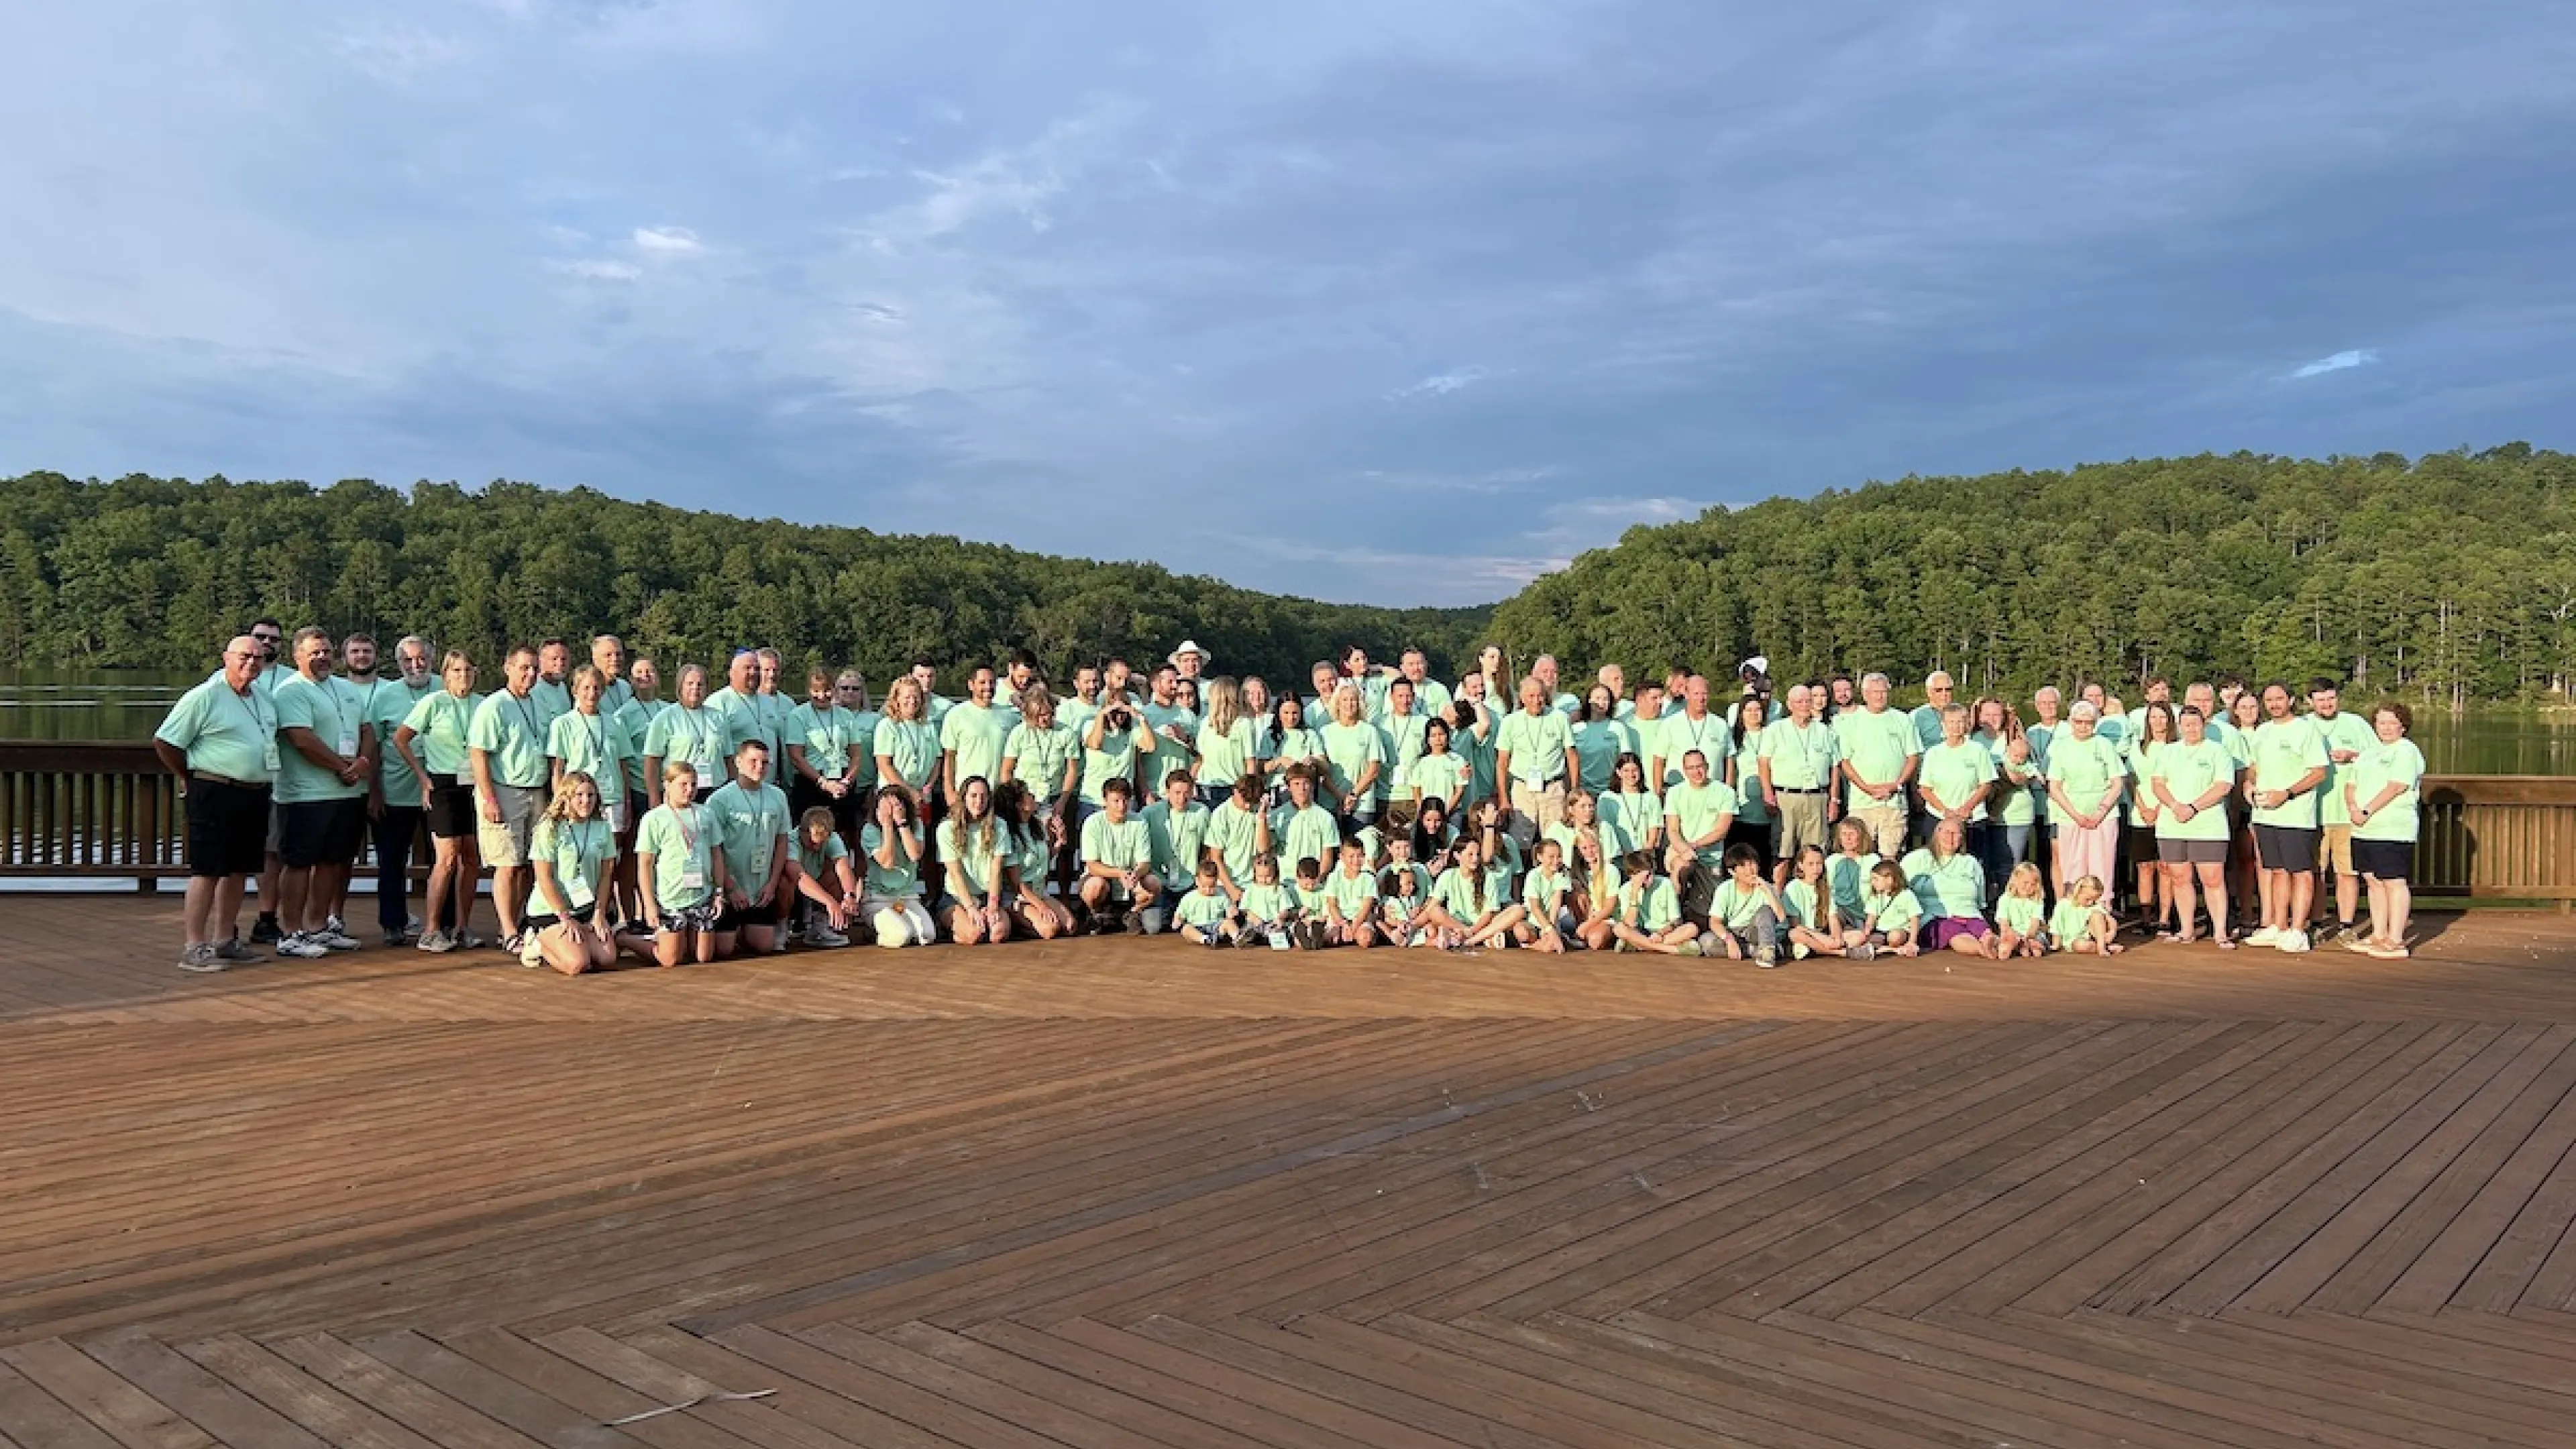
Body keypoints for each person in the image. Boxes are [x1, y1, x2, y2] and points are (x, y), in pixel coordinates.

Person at [153, 636, 280, 972]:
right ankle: (194, 946)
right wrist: (188, 775)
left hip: (254, 792)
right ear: (226, 658)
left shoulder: (263, 699)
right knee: (207, 869)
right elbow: (166, 741)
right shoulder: (204, 697)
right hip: (213, 790)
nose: (251, 663)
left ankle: (225, 940)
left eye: (258, 657)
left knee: (239, 869)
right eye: (244, 656)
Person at [270, 627, 372, 959]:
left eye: (326, 651)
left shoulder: (346, 688)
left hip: (346, 794)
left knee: (333, 861)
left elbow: (366, 730)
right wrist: (342, 768)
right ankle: (290, 932)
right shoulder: (291, 691)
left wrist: (363, 761)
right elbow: (301, 739)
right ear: (297, 656)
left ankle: (318, 927)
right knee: (299, 863)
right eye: (314, 652)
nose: (322, 657)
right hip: (305, 795)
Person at [396, 649, 485, 951]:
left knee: (472, 858)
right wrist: (422, 777)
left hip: (474, 785)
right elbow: (401, 739)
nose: (463, 676)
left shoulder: (483, 705)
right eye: (456, 671)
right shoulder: (432, 703)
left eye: (468, 670)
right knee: (446, 858)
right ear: (446, 675)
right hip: (443, 785)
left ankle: (461, 926)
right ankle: (431, 929)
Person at [468, 644, 552, 954]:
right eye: (524, 668)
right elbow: (479, 754)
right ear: (508, 668)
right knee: (507, 864)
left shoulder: (539, 704)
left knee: (533, 862)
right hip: (505, 790)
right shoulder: (494, 706)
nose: (530, 674)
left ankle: (526, 922)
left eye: (534, 669)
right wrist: (489, 799)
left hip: (537, 791)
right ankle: (507, 930)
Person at [356, 634, 437, 946]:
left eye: (421, 659)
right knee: (391, 861)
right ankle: (393, 924)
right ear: (398, 662)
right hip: (395, 790)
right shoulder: (386, 696)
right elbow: (373, 746)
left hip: (438, 792)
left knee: (442, 861)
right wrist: (374, 791)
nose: (415, 666)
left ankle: (442, 922)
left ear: (432, 659)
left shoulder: (447, 687)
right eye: (408, 660)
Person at [2245, 682, 2329, 953]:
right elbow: (2253, 767)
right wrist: (2249, 785)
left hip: (2296, 815)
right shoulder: (2262, 732)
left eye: (2280, 699)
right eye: (2269, 700)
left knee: (2301, 872)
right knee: (2277, 871)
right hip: (2265, 814)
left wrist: (2288, 793)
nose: (2274, 704)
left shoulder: (2306, 730)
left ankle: (2298, 930)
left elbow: (2319, 772)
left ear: (2291, 700)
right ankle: (2278, 926)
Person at [2148, 705, 2239, 949]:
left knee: (2212, 878)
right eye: (2186, 724)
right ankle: (2186, 929)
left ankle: (2220, 931)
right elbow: (2158, 784)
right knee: (2179, 877)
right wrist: (2176, 806)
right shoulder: (2168, 752)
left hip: (2208, 825)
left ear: (2203, 725)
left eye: (2195, 724)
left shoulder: (2217, 751)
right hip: (2172, 824)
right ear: (2179, 726)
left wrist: (2194, 807)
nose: (2191, 729)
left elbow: (2223, 786)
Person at [2345, 702, 2426, 960]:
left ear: (2403, 726)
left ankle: (2396, 940)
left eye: (2393, 722)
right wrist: (2353, 808)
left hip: (2392, 829)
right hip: (2364, 830)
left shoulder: (2406, 751)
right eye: (2382, 723)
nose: (2387, 728)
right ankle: (2378, 934)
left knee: (2394, 882)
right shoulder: (2369, 752)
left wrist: (2367, 810)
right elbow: (2351, 784)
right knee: (2372, 880)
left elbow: (2396, 787)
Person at [524, 771, 620, 975]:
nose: (586, 801)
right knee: (577, 964)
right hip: (551, 911)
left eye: (591, 795)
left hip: (585, 907)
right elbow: (544, 877)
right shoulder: (548, 828)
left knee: (607, 958)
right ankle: (536, 942)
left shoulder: (602, 827)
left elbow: (606, 875)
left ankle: (577, 938)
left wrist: (599, 913)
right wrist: (564, 916)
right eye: (580, 796)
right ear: (567, 798)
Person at [706, 739, 794, 957]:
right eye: (753, 761)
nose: (760, 767)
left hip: (761, 887)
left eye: (765, 762)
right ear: (738, 762)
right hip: (731, 889)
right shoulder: (720, 800)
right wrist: (730, 887)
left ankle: (747, 931)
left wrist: (772, 884)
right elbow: (713, 848)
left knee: (764, 946)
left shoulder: (778, 796)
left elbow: (782, 840)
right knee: (723, 951)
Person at [2305, 676, 2376, 942]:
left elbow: (2377, 758)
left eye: (2331, 698)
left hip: (2348, 813)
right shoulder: (2303, 726)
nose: (2326, 704)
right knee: (2316, 872)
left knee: (2347, 872)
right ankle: (2316, 922)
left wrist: (2352, 756)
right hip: (2313, 813)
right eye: (2320, 699)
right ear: (2310, 702)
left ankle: (2346, 924)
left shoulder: (2356, 724)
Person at [633, 761, 722, 967]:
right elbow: (645, 864)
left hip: (701, 896)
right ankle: (628, 939)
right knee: (671, 959)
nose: (689, 790)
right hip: (670, 900)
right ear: (667, 784)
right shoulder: (653, 818)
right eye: (683, 784)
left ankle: (684, 937)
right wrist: (649, 904)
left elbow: (716, 854)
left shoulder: (706, 814)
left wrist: (718, 892)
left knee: (703, 957)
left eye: (693, 784)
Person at [1000, 684, 1082, 895]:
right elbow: (1007, 770)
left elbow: (1072, 769)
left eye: (1049, 714)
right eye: (1040, 715)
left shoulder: (1066, 732)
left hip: (1056, 795)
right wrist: (1012, 801)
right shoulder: (1018, 734)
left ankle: (1062, 896)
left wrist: (1063, 801)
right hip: (1026, 799)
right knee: (1029, 846)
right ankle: (1025, 893)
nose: (1045, 719)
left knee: (1061, 846)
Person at [2043, 702, 2126, 906]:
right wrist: (2076, 815)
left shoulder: (2104, 745)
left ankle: (2102, 914)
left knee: (2102, 867)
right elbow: (2055, 787)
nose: (2083, 726)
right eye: (2078, 722)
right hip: (2070, 818)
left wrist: (2100, 812)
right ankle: (2074, 917)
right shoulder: (2061, 747)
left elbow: (2117, 783)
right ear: (2071, 722)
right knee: (2073, 868)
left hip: (2103, 818)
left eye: (2088, 722)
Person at [1757, 683, 1839, 879]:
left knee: (1814, 854)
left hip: (1817, 797)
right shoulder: (1776, 730)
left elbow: (1835, 766)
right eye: (1799, 702)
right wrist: (1768, 794)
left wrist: (1834, 799)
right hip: (1786, 797)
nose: (1804, 705)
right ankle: (1778, 898)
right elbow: (1763, 763)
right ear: (1790, 704)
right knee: (1782, 853)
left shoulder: (1825, 731)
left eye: (1807, 701)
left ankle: (1811, 899)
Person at [1835, 672, 1919, 859]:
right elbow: (1845, 762)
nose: (1879, 696)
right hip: (1861, 802)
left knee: (1890, 856)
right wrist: (1867, 788)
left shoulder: (1902, 719)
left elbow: (1913, 757)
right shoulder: (1850, 722)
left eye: (1883, 692)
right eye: (1875, 692)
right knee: (1859, 854)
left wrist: (1896, 785)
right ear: (1865, 694)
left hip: (1894, 802)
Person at [547, 666, 634, 837]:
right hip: (578, 799)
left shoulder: (616, 723)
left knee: (611, 853)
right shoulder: (563, 724)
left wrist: (627, 802)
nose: (592, 693)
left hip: (611, 798)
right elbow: (557, 768)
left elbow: (623, 765)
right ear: (575, 691)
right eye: (586, 688)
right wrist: (560, 800)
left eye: (596, 688)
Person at [1495, 675, 1580, 847]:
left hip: (1553, 787)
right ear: (1522, 698)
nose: (1536, 701)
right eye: (1531, 696)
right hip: (1522, 788)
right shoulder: (1510, 722)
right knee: (1521, 841)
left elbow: (1571, 755)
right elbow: (1502, 762)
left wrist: (1574, 789)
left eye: (1540, 695)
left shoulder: (1559, 718)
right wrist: (1503, 798)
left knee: (1556, 839)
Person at [785, 667, 866, 845]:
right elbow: (796, 757)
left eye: (827, 690)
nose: (822, 696)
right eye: (816, 691)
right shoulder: (798, 716)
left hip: (843, 782)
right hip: (812, 782)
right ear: (809, 691)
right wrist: (823, 783)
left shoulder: (846, 716)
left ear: (835, 690)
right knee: (812, 838)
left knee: (845, 837)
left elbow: (856, 755)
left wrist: (846, 781)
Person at [1900, 818, 1995, 958]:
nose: (1951, 838)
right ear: (1937, 834)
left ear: (1962, 838)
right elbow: (1900, 890)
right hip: (1934, 917)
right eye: (1947, 832)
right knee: (1953, 931)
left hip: (1969, 913)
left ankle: (2003, 943)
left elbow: (1980, 900)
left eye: (1956, 834)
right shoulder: (1916, 859)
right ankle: (1983, 950)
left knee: (1984, 931)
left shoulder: (1971, 862)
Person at [1661, 749, 1738, 922]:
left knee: (1704, 918)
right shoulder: (1675, 792)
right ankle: (1675, 915)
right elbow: (1672, 830)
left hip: (1710, 858)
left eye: (1700, 766)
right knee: (1683, 867)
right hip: (1679, 851)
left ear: (1707, 766)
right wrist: (1684, 849)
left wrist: (1694, 846)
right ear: (1684, 770)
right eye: (1691, 768)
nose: (1697, 772)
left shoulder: (1725, 792)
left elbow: (1721, 831)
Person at [994, 780, 1075, 941]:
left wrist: (1059, 842)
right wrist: (1042, 907)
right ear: (1019, 805)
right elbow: (1017, 884)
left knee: (1070, 926)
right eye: (1028, 795)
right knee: (1050, 930)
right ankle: (1015, 923)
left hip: (1039, 892)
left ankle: (1031, 921)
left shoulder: (1037, 825)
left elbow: (1042, 859)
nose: (1033, 797)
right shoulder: (1008, 834)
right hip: (1019, 896)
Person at [1915, 702, 1994, 870]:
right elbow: (1925, 789)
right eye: (1951, 722)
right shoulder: (1934, 753)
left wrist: (1966, 808)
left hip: (1972, 818)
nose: (1956, 726)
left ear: (1966, 724)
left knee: (1972, 864)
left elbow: (1986, 784)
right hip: (1938, 817)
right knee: (1935, 864)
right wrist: (1945, 812)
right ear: (1943, 725)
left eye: (1960, 721)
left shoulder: (1978, 751)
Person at [936, 774, 1012, 946]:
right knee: (974, 935)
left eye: (984, 796)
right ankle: (950, 926)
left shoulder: (999, 825)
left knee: (997, 934)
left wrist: (993, 905)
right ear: (964, 798)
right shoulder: (946, 828)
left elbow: (996, 868)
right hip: (957, 898)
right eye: (974, 796)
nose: (979, 801)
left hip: (988, 895)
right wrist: (970, 908)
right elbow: (955, 873)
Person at [2125, 703, 2180, 934]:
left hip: (2168, 814)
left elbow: (2176, 781)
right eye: (2153, 717)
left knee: (2167, 868)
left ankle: (2165, 917)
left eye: (2162, 717)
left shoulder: (2177, 748)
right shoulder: (2138, 748)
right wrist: (2143, 807)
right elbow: (2130, 781)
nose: (2158, 722)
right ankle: (2146, 918)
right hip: (2141, 815)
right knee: (2145, 867)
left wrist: (2159, 808)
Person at [641, 665, 729, 810]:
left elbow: (728, 758)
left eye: (700, 684)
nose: (695, 688)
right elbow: (652, 761)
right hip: (680, 792)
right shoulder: (665, 718)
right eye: (690, 684)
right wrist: (654, 797)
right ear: (680, 686)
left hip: (716, 790)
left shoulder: (718, 717)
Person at [1079, 777, 1161, 934]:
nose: (1121, 806)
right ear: (1105, 801)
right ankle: (1096, 914)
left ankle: (1133, 913)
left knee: (1153, 883)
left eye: (1125, 801)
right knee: (1095, 886)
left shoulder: (1139, 821)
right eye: (1116, 801)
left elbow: (1145, 862)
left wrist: (1136, 874)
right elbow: (1092, 865)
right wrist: (1119, 873)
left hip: (1131, 877)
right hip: (1103, 877)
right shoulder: (1092, 823)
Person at [861, 784, 935, 948]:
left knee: (927, 935)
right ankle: (875, 932)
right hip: (878, 898)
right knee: (902, 936)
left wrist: (902, 823)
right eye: (885, 806)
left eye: (895, 806)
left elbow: (915, 855)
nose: (890, 811)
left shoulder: (915, 824)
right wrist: (887, 826)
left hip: (906, 896)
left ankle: (894, 924)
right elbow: (887, 863)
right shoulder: (870, 829)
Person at [940, 666, 1016, 820]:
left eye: (992, 682)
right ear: (971, 685)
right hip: (967, 795)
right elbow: (949, 757)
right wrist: (949, 792)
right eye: (982, 682)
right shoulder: (956, 715)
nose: (988, 687)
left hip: (998, 795)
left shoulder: (1010, 716)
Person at [1422, 836, 1522, 951]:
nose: (1475, 859)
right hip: (1457, 923)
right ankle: (1480, 938)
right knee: (1434, 910)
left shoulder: (1489, 876)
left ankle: (1471, 940)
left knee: (1518, 910)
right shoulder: (1448, 875)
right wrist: (1414, 925)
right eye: (1470, 854)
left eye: (1478, 854)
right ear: (1457, 856)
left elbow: (1489, 913)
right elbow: (1432, 907)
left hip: (1484, 925)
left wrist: (1472, 931)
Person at [1078, 689, 1158, 830]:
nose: (1120, 716)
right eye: (1116, 712)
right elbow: (1095, 743)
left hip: (1124, 800)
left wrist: (1140, 718)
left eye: (1123, 712)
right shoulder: (1090, 725)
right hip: (1094, 799)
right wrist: (1102, 715)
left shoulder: (1131, 731)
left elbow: (1150, 746)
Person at [1143, 769, 1214, 924]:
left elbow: (1207, 847)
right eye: (1177, 792)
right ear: (1167, 792)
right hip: (1160, 878)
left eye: (1186, 792)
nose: (1182, 798)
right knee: (1154, 926)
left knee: (1199, 922)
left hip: (1190, 881)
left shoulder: (1201, 812)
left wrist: (1201, 877)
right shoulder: (1149, 813)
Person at [1320, 684, 1387, 831]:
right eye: (1344, 700)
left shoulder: (1369, 731)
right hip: (1331, 800)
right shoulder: (1325, 732)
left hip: (1362, 802)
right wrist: (1340, 796)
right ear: (1337, 703)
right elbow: (1322, 770)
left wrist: (1352, 795)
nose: (1349, 704)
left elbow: (1374, 770)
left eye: (1353, 700)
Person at [788, 806, 859, 947]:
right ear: (802, 831)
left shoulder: (833, 838)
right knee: (785, 881)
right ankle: (781, 927)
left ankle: (819, 927)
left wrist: (850, 896)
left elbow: (843, 867)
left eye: (821, 844)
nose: (816, 848)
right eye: (813, 842)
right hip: (795, 886)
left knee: (837, 875)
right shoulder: (791, 840)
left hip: (817, 880)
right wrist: (830, 902)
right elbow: (799, 876)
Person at [1705, 844, 1785, 966]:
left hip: (1756, 932)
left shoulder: (1766, 887)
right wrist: (1729, 940)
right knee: (1707, 942)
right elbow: (1715, 922)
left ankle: (1767, 952)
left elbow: (1782, 919)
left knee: (1765, 910)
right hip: (1733, 932)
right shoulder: (1724, 889)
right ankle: (1756, 951)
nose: (1750, 870)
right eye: (1743, 866)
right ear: (1732, 871)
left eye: (1752, 864)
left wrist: (1768, 891)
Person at [1606, 849, 1698, 955]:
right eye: (1644, 877)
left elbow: (1676, 921)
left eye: (1649, 875)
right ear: (1632, 876)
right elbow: (1629, 923)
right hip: (1640, 932)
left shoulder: (1666, 884)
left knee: (1692, 928)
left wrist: (1660, 933)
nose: (1647, 880)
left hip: (1664, 932)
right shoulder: (1625, 890)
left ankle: (1640, 945)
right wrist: (1635, 893)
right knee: (1619, 929)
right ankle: (1671, 949)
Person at [1721, 694, 1774, 869]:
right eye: (1748, 710)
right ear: (1741, 713)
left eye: (1758, 709)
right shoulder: (1733, 737)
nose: (1753, 714)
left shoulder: (1772, 734)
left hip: (1768, 807)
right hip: (1742, 808)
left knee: (1763, 858)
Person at [1650, 674, 1726, 792]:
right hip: (1677, 792)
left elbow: (1729, 759)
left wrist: (1729, 790)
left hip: (1713, 791)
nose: (1701, 698)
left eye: (1704, 694)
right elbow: (1658, 760)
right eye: (1696, 694)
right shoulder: (1670, 723)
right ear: (1686, 695)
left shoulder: (1721, 724)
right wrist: (1658, 793)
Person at [874, 677, 944, 806]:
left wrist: (928, 786)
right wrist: (909, 791)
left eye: (916, 697)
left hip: (923, 797)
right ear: (897, 699)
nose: (912, 701)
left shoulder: (928, 726)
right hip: (894, 796)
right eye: (907, 697)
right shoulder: (887, 725)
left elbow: (937, 759)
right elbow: (884, 764)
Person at [1193, 678, 1260, 813]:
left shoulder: (1244, 724)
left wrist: (1249, 790)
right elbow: (1201, 758)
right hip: (1207, 784)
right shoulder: (1206, 723)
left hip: (1234, 785)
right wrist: (1191, 779)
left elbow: (1250, 762)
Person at [1780, 845, 1845, 961]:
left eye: (1819, 864)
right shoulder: (1793, 887)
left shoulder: (1825, 887)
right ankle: (1837, 953)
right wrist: (1823, 939)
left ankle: (1814, 949)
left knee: (1858, 936)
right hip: (1803, 932)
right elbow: (1795, 924)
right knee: (1794, 934)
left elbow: (1833, 918)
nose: (1815, 868)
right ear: (1801, 865)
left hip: (1821, 933)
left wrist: (1837, 938)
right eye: (1811, 864)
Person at [1572, 684, 1637, 798]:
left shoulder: (1618, 728)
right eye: (1597, 698)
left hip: (1611, 790)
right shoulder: (1576, 729)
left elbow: (1626, 761)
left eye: (1605, 699)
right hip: (1583, 791)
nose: (1601, 702)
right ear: (1589, 701)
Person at [1854, 859, 1923, 959]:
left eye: (1876, 879)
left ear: (1890, 879)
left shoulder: (1907, 895)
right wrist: (1867, 931)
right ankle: (1891, 949)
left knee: (1895, 937)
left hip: (1901, 931)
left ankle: (1888, 948)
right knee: (1860, 940)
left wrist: (1912, 941)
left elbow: (1914, 919)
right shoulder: (1876, 896)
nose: (1873, 883)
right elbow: (1871, 917)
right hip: (1880, 931)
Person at [1320, 838, 1381, 949]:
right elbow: (1332, 905)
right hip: (1338, 920)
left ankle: (1353, 937)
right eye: (1351, 856)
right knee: (1330, 938)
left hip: (1360, 920)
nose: (1356, 860)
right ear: (1342, 857)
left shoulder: (1368, 879)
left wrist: (1353, 927)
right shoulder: (1334, 877)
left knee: (1365, 939)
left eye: (1360, 856)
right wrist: (1343, 924)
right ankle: (1317, 936)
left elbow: (1366, 908)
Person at [1517, 837, 1574, 953]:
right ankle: (1536, 944)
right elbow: (1534, 907)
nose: (1556, 861)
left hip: (1551, 921)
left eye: (1559, 856)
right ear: (1540, 857)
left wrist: (1550, 929)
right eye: (1551, 857)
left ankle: (1538, 944)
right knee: (1521, 932)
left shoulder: (1562, 874)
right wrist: (1549, 929)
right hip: (1533, 921)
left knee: (1549, 946)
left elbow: (1556, 903)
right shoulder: (1533, 875)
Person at [2049, 875, 2123, 955]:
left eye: (2094, 900)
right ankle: (2107, 948)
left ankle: (2102, 947)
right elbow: (2056, 925)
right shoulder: (2063, 905)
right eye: (2088, 899)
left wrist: (2112, 932)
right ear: (2078, 891)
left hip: (2092, 937)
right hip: (2074, 942)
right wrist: (2055, 944)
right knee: (2081, 945)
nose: (2091, 903)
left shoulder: (2095, 906)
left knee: (2097, 914)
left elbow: (2111, 920)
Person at [1174, 861, 1240, 947]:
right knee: (1186, 929)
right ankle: (1205, 940)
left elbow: (1229, 911)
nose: (1208, 890)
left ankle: (1237, 938)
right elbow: (1179, 915)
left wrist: (1232, 913)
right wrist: (1177, 921)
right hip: (1197, 928)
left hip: (1216, 927)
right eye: (1204, 886)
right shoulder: (1188, 898)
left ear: (1217, 881)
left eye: (1212, 886)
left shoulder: (1221, 895)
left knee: (1229, 922)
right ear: (1197, 881)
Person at [1237, 853, 1294, 949]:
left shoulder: (1279, 889)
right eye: (1260, 876)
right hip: (1255, 922)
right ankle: (1248, 938)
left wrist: (1280, 918)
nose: (1263, 880)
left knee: (1279, 930)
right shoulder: (1250, 889)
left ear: (1275, 874)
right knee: (1248, 929)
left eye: (1267, 876)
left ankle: (1272, 939)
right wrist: (1253, 917)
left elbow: (1286, 908)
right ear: (1254, 874)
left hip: (1272, 923)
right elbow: (1244, 909)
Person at [1993, 862, 2048, 958]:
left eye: (2033, 885)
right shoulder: (2005, 899)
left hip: (2032, 935)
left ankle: (2028, 946)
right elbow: (2004, 925)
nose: (2028, 887)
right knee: (2005, 950)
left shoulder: (2037, 901)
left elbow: (2035, 925)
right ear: (2015, 881)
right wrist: (2014, 936)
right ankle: (2018, 946)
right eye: (2025, 883)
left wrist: (2028, 937)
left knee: (2037, 952)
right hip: (2012, 933)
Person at [1911, 671, 1956, 753]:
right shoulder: (1918, 716)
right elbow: (1911, 749)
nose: (1944, 693)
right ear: (1929, 692)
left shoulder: (1959, 712)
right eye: (1939, 690)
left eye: (1948, 689)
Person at [532, 639, 575, 725]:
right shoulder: (535, 690)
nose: (560, 663)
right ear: (541, 661)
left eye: (564, 659)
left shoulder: (562, 685)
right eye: (554, 659)